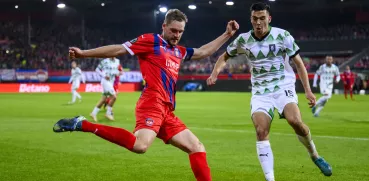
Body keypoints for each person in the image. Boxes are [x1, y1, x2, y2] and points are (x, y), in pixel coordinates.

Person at [53, 9, 239, 181]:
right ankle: (83, 124)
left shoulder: (178, 51)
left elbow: (203, 52)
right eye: (173, 30)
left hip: (167, 110)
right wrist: (83, 54)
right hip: (151, 103)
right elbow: (119, 49)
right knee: (140, 146)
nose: (177, 35)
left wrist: (227, 35)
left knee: (196, 147)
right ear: (164, 26)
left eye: (180, 32)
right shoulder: (150, 41)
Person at [206, 3, 332, 181]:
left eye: (262, 18)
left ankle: (315, 155)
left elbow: (299, 64)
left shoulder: (282, 36)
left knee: (295, 121)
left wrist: (308, 91)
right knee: (261, 131)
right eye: (254, 19)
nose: (258, 23)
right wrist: (214, 73)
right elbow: (223, 57)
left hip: (283, 87)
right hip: (260, 92)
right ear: (251, 20)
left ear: (269, 19)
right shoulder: (243, 39)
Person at [89, 57, 121, 121]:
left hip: (111, 81)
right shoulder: (105, 61)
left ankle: (93, 113)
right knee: (114, 97)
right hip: (105, 81)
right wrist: (104, 75)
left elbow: (116, 71)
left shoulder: (117, 61)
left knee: (104, 99)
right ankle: (108, 113)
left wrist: (118, 73)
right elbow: (97, 69)